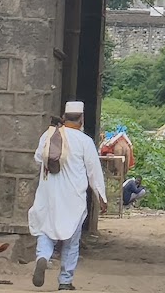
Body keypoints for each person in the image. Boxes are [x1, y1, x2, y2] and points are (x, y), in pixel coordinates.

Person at [27, 101, 107, 290]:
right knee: (71, 240)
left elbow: (38, 158)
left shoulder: (48, 135)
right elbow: (93, 172)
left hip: (48, 194)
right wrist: (101, 197)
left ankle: (43, 257)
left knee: (46, 231)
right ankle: (65, 281)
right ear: (81, 118)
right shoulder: (85, 141)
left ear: (64, 116)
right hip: (73, 198)